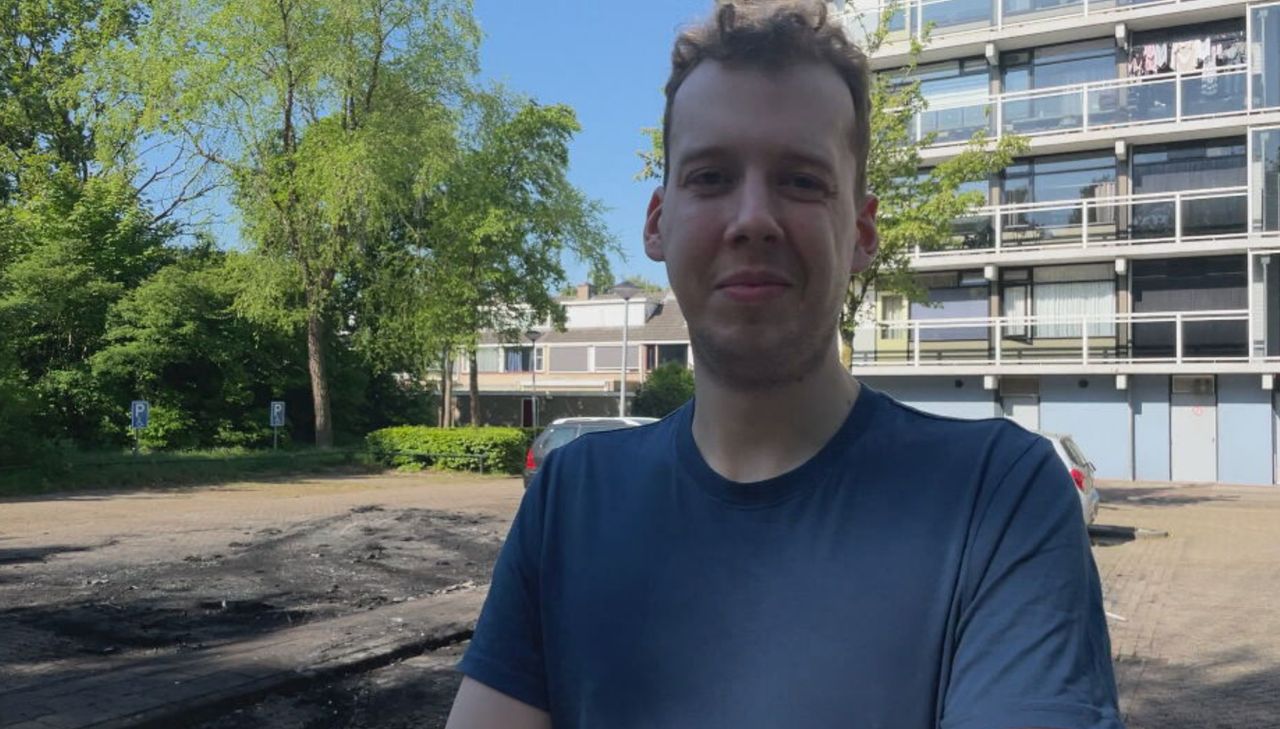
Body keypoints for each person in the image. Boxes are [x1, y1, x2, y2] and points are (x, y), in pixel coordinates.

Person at [445, 2, 1124, 728]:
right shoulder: (570, 503)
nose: (753, 218)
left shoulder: (1000, 502)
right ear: (657, 221)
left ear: (861, 232)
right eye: (709, 177)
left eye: (801, 181)